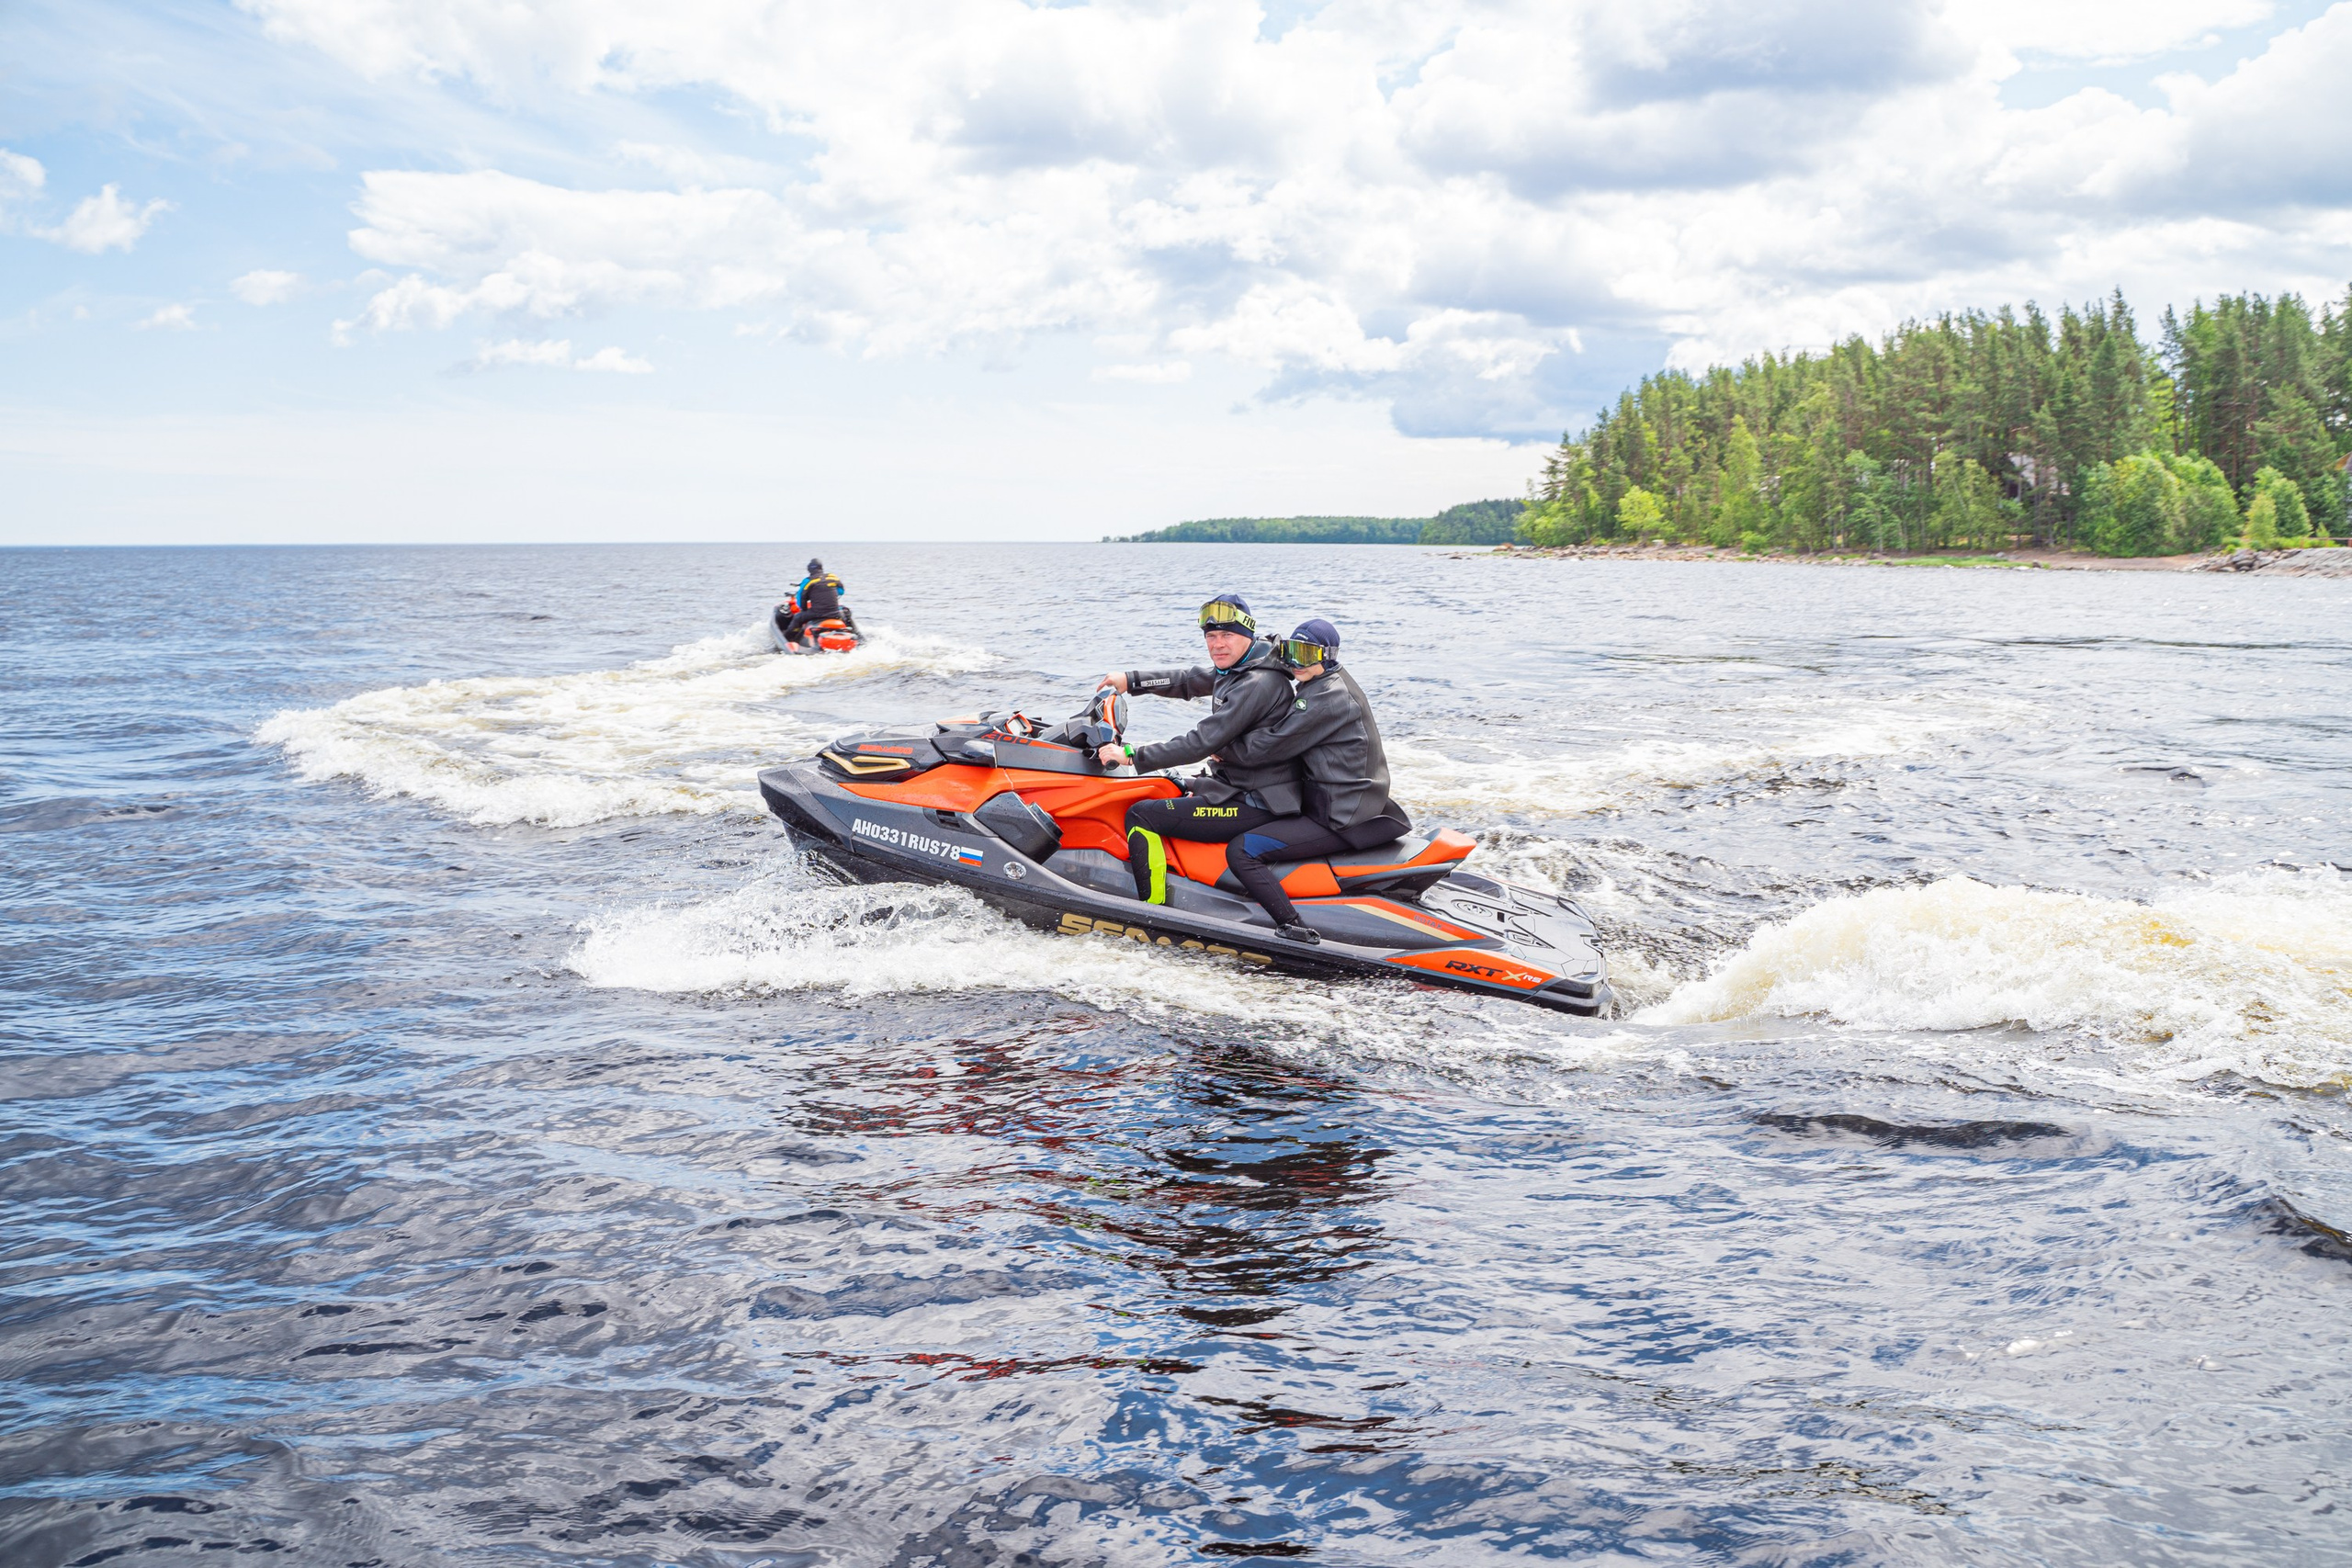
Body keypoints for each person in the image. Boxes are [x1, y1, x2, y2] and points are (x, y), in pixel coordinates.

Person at [1091, 593, 1307, 931]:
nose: (1218, 644)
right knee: (1162, 784)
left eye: (1227, 635)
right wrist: (1131, 680)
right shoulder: (1244, 665)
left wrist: (1132, 754)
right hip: (1236, 785)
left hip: (1258, 802)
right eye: (1211, 636)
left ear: (1247, 634)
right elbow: (1189, 680)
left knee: (1141, 814)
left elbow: (1201, 742)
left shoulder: (1257, 682)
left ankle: (1154, 915)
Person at [1209, 618, 1410, 941]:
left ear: (1327, 656)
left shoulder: (1326, 696)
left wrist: (1221, 746)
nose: (1296, 662)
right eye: (1292, 652)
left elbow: (1273, 744)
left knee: (1243, 850)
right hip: (1346, 799)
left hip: (1339, 815)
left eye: (1306, 654)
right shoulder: (1324, 682)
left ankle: (1294, 927)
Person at [782, 558, 853, 645]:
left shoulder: (808, 581)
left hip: (817, 613)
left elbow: (801, 600)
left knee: (797, 618)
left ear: (809, 569)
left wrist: (804, 609)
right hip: (835, 613)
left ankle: (787, 639)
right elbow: (841, 592)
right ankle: (858, 636)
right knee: (846, 613)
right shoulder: (832, 577)